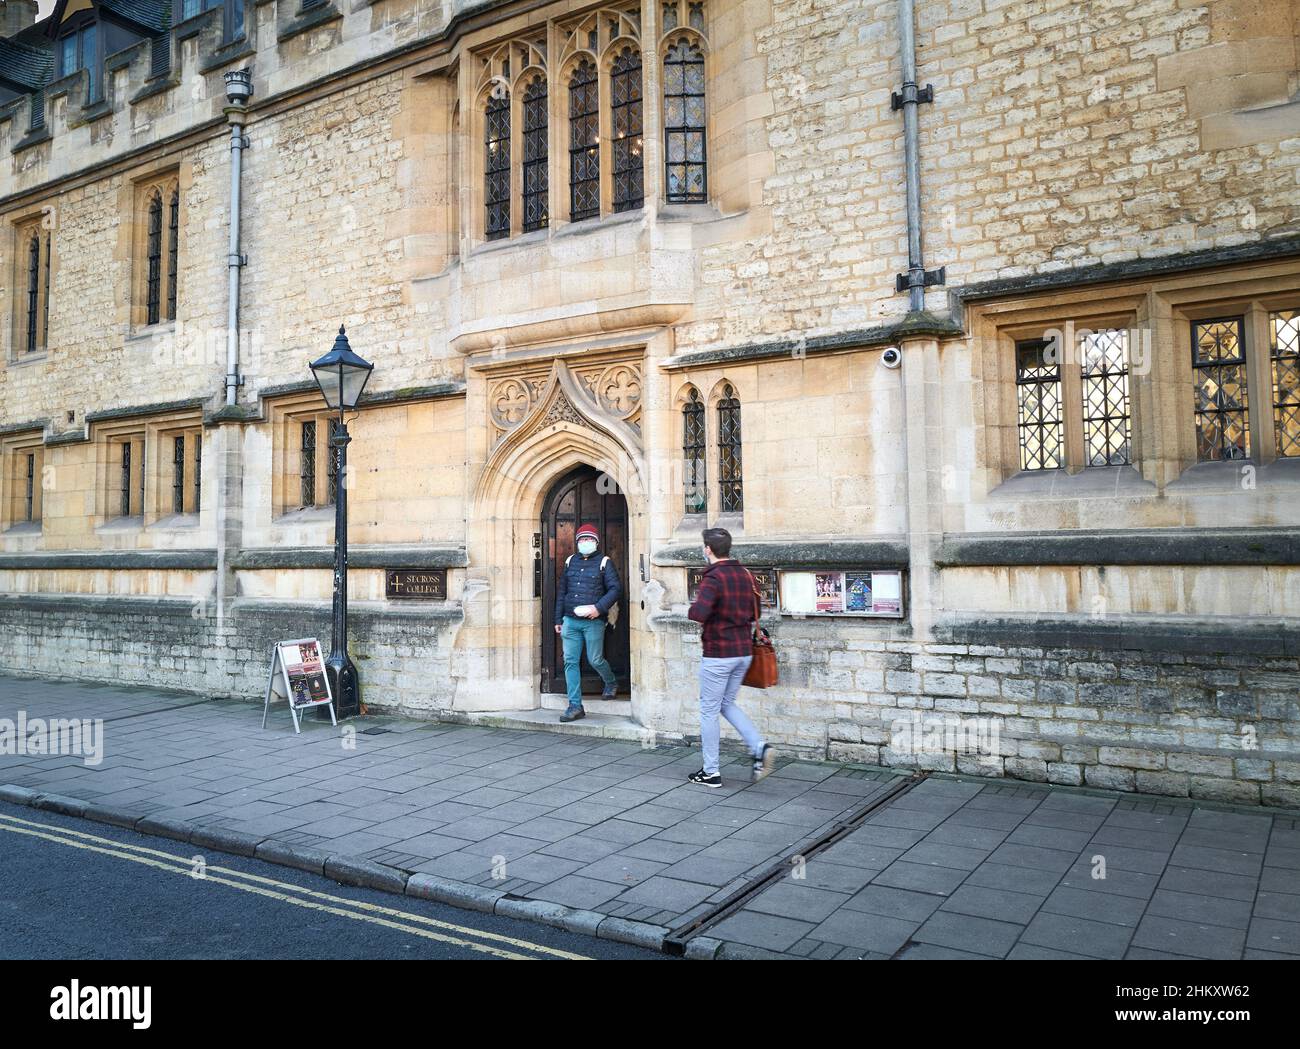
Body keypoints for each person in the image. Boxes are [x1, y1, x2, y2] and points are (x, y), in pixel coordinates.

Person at [686, 527, 776, 786]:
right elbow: (755, 611)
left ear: (708, 550)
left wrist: (694, 610)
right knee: (726, 703)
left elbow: (700, 614)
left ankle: (711, 771)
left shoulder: (713, 578)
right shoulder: (744, 574)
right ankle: (759, 747)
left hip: (718, 653)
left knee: (708, 711)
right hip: (743, 652)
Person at [554, 523, 621, 722]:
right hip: (570, 621)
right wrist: (558, 618)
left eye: (589, 539)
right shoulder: (570, 561)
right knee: (570, 661)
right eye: (582, 539)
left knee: (595, 659)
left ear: (596, 542)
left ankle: (611, 682)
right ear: (577, 542)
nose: (585, 542)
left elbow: (615, 589)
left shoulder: (604, 562)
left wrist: (598, 608)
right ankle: (575, 706)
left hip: (593, 622)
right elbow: (562, 592)